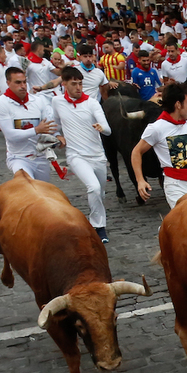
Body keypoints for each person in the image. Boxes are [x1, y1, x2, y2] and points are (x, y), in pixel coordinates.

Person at [51, 67, 112, 242]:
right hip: (76, 155)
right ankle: (98, 227)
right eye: (74, 84)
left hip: (97, 155)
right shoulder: (57, 102)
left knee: (99, 193)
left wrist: (102, 128)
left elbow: (107, 129)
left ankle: (97, 218)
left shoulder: (92, 103)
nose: (78, 87)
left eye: (80, 84)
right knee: (93, 187)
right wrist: (58, 136)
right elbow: (55, 123)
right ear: (64, 84)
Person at [0, 67, 56, 181]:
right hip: (19, 158)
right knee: (28, 186)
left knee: (43, 194)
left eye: (24, 82)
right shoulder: (0, 103)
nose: (22, 86)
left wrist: (57, 137)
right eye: (18, 82)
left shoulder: (38, 101)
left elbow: (48, 127)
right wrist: (36, 130)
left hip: (41, 157)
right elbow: (10, 135)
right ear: (8, 83)